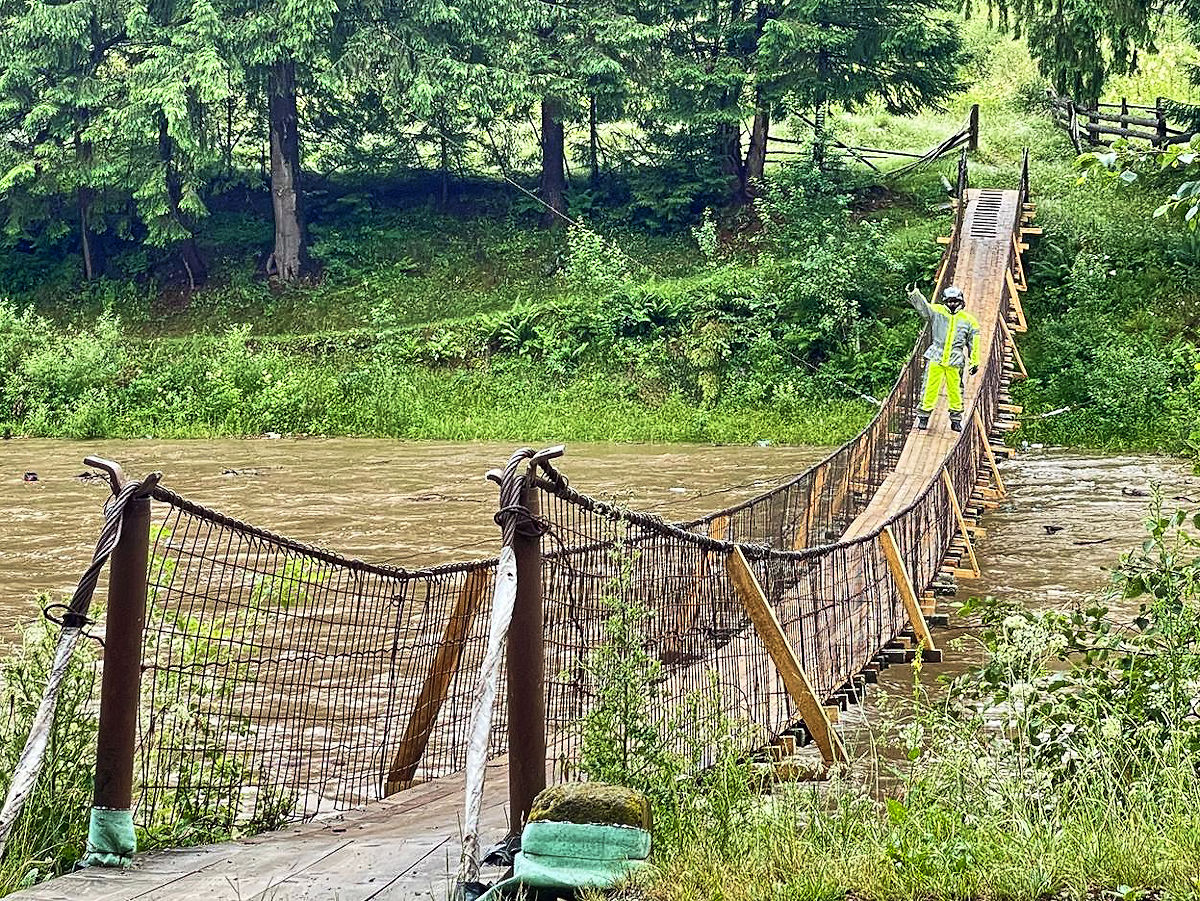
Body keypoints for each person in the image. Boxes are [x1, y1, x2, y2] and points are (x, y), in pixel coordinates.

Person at [905, 282, 980, 432]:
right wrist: (915, 294)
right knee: (929, 388)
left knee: (956, 391)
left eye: (955, 301)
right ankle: (924, 417)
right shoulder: (937, 312)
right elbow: (924, 308)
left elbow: (974, 343)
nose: (952, 304)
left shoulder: (969, 320)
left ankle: (956, 420)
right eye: (950, 301)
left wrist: (974, 361)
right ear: (945, 302)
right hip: (937, 356)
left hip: (955, 358)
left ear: (961, 302)